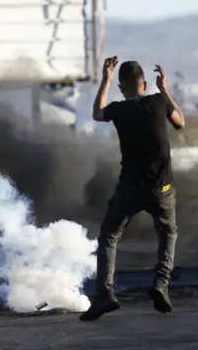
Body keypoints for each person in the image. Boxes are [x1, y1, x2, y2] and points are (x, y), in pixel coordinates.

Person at [80, 57, 185, 321]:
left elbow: (97, 113)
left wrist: (105, 78)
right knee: (167, 232)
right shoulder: (159, 101)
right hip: (163, 187)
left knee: (109, 236)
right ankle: (161, 283)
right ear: (145, 83)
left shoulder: (119, 109)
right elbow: (180, 122)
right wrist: (165, 90)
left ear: (121, 87)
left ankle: (105, 295)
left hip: (130, 188)